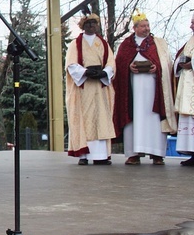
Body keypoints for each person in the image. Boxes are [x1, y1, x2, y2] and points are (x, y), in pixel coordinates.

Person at [113, 10, 177, 165]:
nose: (147, 28)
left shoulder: (158, 44)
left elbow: (167, 63)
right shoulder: (126, 45)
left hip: (154, 90)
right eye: (143, 26)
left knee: (154, 119)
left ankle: (157, 154)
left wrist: (157, 68)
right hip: (132, 90)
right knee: (133, 119)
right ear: (135, 28)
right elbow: (119, 65)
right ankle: (133, 154)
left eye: (148, 25)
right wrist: (128, 67)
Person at [65, 13, 116, 165]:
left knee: (101, 118)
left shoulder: (104, 44)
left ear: (97, 26)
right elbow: (71, 64)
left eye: (94, 23)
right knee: (83, 119)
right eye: (88, 24)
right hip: (83, 88)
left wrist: (104, 73)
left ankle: (100, 155)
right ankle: (84, 155)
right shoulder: (75, 44)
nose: (91, 26)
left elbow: (111, 63)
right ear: (82, 26)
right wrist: (85, 72)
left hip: (100, 88)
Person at [174, 13, 194, 165]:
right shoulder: (190, 41)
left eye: (193, 23)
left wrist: (191, 64)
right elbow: (181, 56)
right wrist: (181, 63)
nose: (191, 26)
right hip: (188, 84)